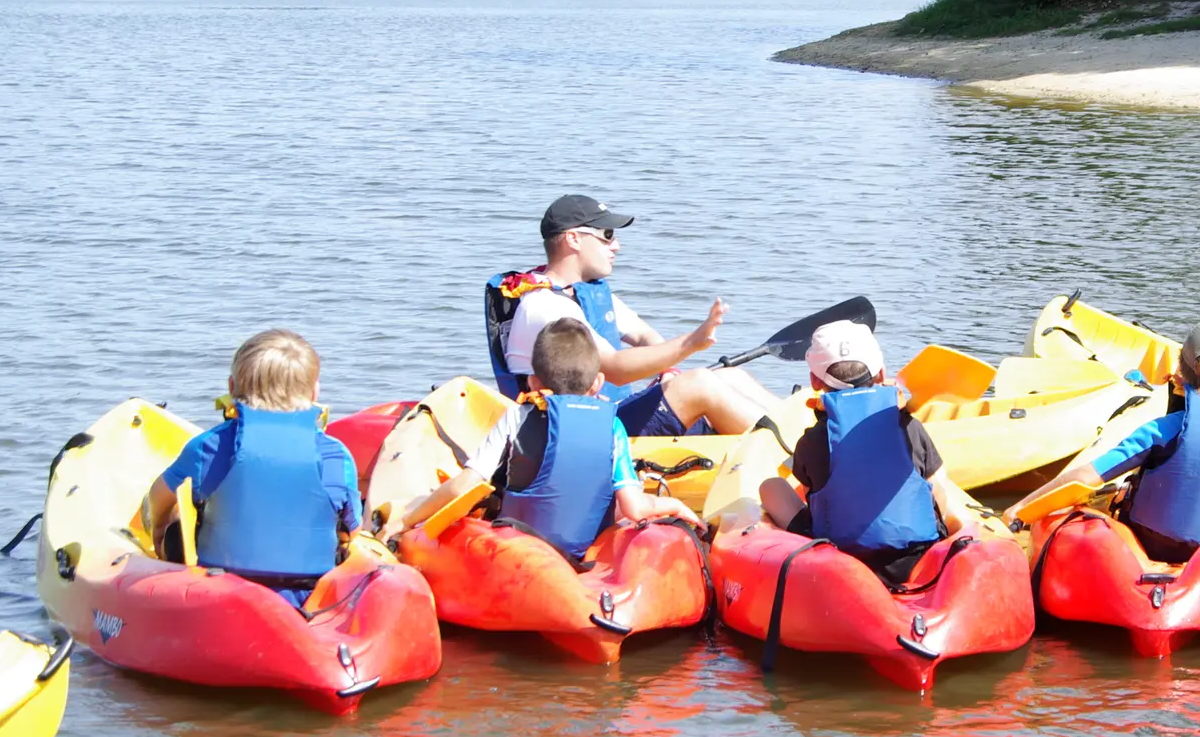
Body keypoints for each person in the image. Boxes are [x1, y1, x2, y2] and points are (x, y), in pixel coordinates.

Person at [1005, 316, 1200, 564]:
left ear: (1180, 374)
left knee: (1106, 496)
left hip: (1146, 544)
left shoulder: (1161, 430)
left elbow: (1086, 477)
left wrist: (1019, 508)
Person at [394, 318, 699, 558]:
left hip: (517, 543)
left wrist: (410, 519)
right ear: (598, 384)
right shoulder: (612, 427)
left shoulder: (518, 416)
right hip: (581, 550)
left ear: (533, 381)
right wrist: (673, 505)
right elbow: (635, 508)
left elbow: (467, 484)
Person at [485, 194, 775, 438]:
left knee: (730, 376)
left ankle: (800, 434)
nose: (616, 246)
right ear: (573, 239)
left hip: (607, 415)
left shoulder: (583, 292)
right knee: (698, 383)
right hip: (572, 430)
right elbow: (615, 368)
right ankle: (783, 456)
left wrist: (668, 372)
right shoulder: (544, 305)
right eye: (607, 236)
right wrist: (691, 343)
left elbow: (644, 336)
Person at [141, 330, 360, 606]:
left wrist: (160, 535)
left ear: (232, 387)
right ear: (314, 392)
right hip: (307, 595)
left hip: (220, 589)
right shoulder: (335, 455)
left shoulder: (209, 447)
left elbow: (158, 499)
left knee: (179, 514)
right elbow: (352, 529)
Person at [759, 321, 974, 587]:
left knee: (770, 487)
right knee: (939, 487)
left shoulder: (813, 440)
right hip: (915, 556)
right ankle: (964, 540)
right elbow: (938, 487)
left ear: (814, 381)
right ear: (881, 373)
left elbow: (814, 494)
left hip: (839, 556)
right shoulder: (909, 427)